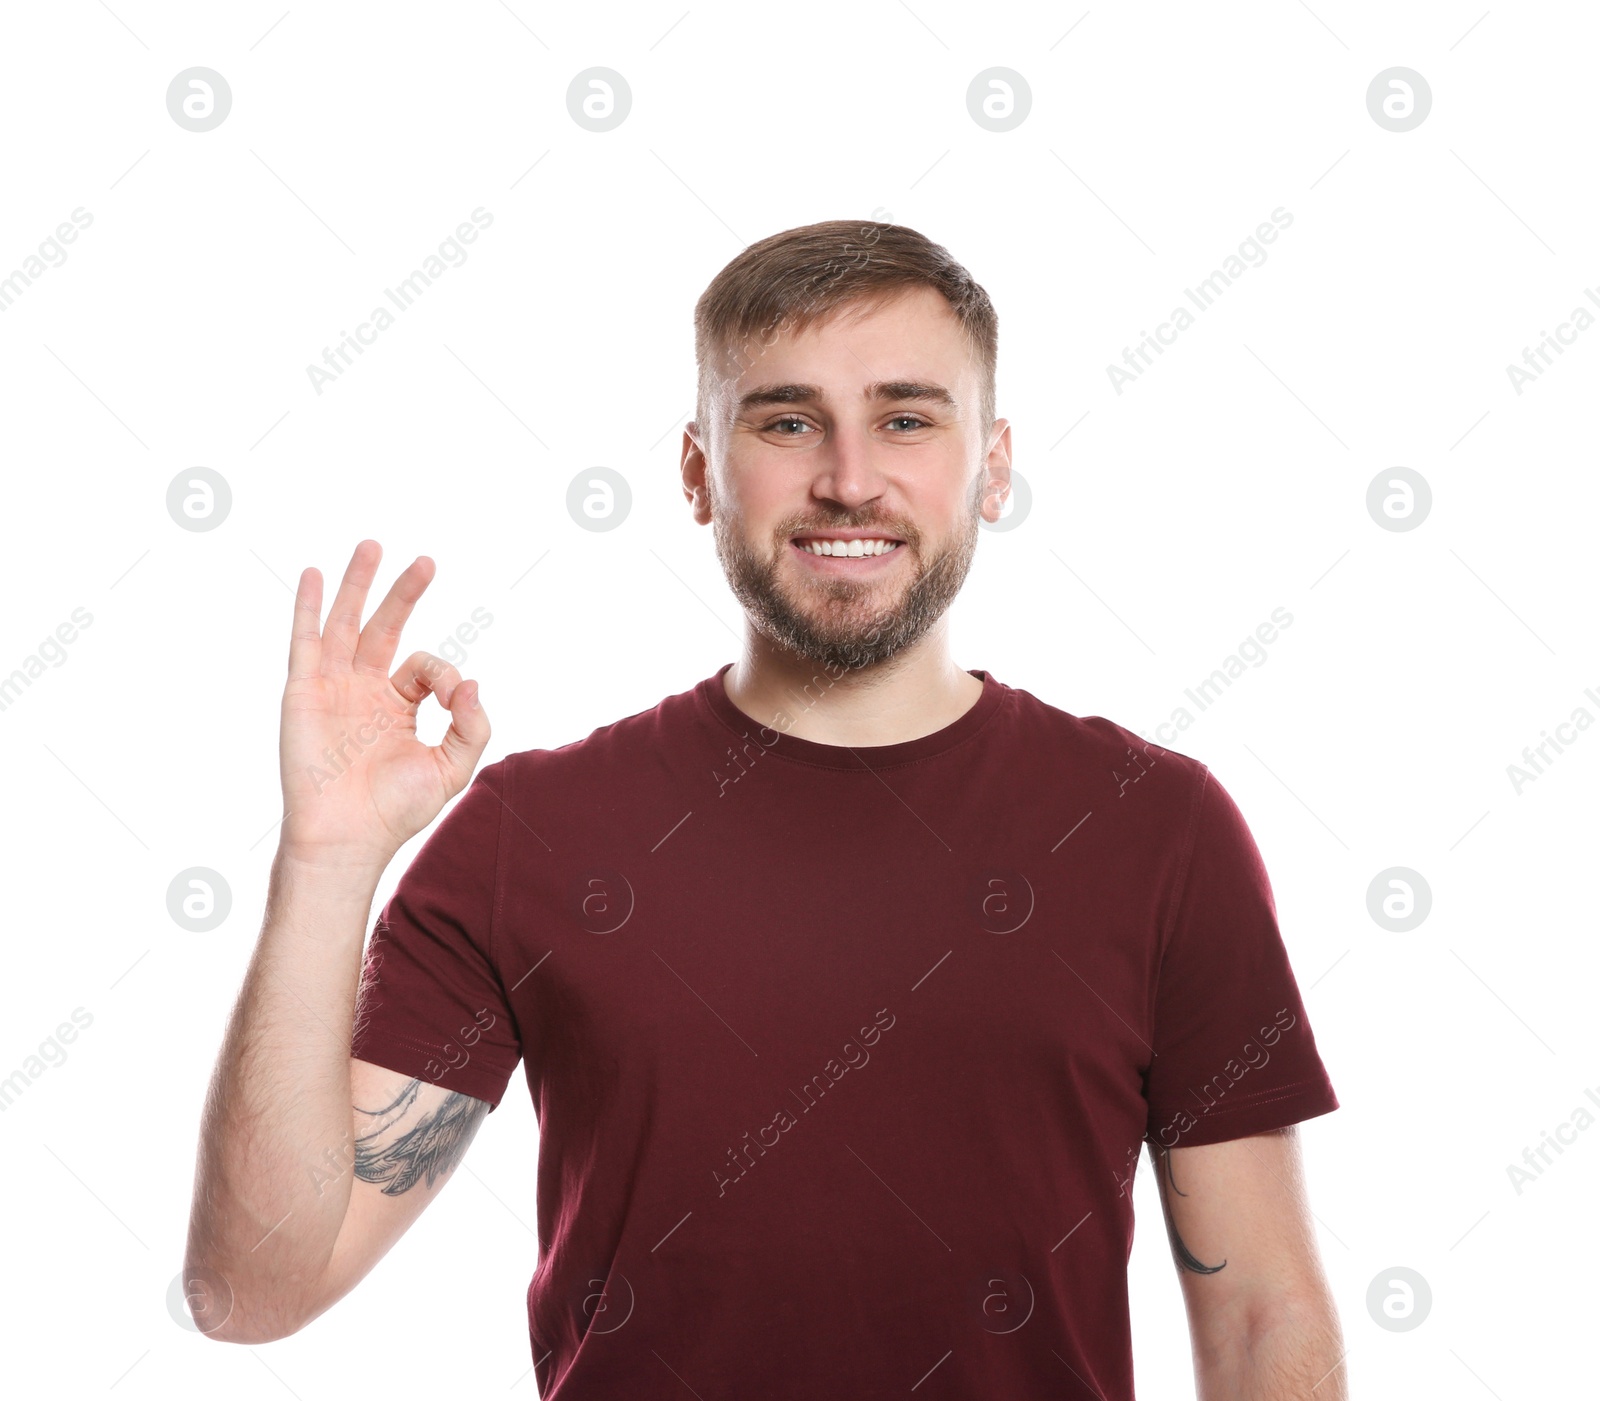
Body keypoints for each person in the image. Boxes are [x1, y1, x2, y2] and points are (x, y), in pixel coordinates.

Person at [184, 219, 1345, 1398]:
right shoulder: (528, 836)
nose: (849, 478)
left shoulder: (1153, 829)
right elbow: (253, 1292)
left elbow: (1262, 1318)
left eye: (905, 417)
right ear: (698, 472)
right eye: (787, 421)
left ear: (992, 464)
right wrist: (326, 862)